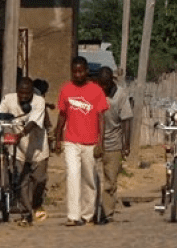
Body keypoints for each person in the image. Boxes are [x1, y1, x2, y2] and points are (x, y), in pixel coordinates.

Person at [54, 56, 109, 227]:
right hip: (71, 140)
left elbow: (101, 118)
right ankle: (73, 215)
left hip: (90, 142)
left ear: (86, 71)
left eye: (80, 71)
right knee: (72, 174)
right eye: (74, 71)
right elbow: (62, 115)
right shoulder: (66, 89)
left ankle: (87, 214)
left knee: (89, 179)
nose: (77, 75)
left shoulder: (96, 90)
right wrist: (57, 139)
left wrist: (101, 142)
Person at [0, 76, 48, 227]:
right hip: (18, 149)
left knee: (39, 180)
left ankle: (37, 203)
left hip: (38, 148)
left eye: (27, 94)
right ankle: (26, 214)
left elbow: (33, 122)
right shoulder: (8, 100)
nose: (24, 97)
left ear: (32, 92)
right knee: (22, 182)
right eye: (21, 93)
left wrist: (20, 134)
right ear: (17, 92)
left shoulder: (39, 102)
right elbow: (0, 116)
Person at [96, 67, 133, 224]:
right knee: (93, 179)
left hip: (114, 143)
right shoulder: (95, 93)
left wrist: (126, 144)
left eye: (106, 84)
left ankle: (107, 212)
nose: (103, 88)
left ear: (112, 81)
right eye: (101, 84)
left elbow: (126, 121)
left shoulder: (121, 95)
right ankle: (92, 210)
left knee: (110, 181)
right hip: (94, 142)